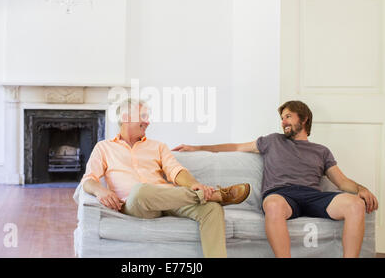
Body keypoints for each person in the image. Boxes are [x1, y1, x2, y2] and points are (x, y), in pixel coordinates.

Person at [173, 100, 378, 258]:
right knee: (272, 205)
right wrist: (197, 147)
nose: (283, 122)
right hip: (282, 195)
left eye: (288, 116)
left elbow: (341, 182)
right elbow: (235, 147)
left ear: (304, 118)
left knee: (355, 205)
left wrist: (361, 188)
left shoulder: (321, 151)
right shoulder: (272, 141)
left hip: (312, 196)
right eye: (282, 118)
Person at [80, 98, 251, 258]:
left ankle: (212, 197)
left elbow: (175, 171)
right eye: (143, 116)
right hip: (137, 203)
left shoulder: (158, 146)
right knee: (140, 191)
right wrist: (99, 190)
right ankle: (217, 193)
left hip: (168, 199)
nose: (148, 122)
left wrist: (194, 184)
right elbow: (88, 179)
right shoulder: (104, 148)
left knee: (212, 209)